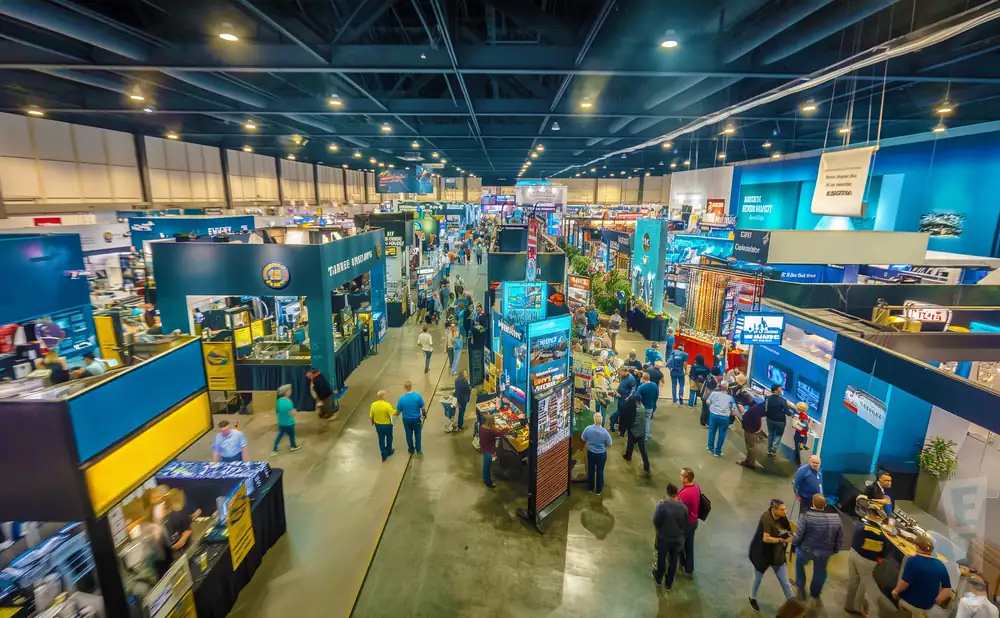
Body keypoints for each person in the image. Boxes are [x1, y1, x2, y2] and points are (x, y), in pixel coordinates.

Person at [792, 494, 843, 604]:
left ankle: (800, 588)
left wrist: (794, 544)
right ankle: (815, 593)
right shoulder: (836, 518)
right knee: (820, 573)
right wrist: (836, 550)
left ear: (813, 504)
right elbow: (839, 538)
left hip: (806, 550)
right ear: (825, 505)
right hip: (825, 553)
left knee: (799, 565)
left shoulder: (805, 516)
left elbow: (798, 535)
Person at [749, 498, 795, 612]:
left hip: (777, 554)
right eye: (782, 509)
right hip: (762, 554)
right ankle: (752, 598)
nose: (785, 512)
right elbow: (766, 538)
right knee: (757, 579)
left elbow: (789, 533)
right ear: (774, 509)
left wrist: (790, 538)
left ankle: (795, 607)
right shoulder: (766, 518)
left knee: (785, 583)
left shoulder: (783, 519)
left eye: (785, 509)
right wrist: (781, 540)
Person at [891, 534, 953, 615]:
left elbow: (905, 583)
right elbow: (948, 592)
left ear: (916, 546)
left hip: (910, 604)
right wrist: (934, 601)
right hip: (928, 608)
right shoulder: (940, 564)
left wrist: (895, 591)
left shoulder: (913, 560)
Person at [845, 503, 889, 617]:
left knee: (853, 581)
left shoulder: (860, 525)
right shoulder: (879, 534)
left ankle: (849, 605)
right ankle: (858, 607)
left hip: (853, 554)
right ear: (878, 517)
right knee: (863, 584)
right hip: (867, 560)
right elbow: (884, 550)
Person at [653, 483, 689, 590]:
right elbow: (685, 523)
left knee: (662, 558)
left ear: (667, 493)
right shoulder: (683, 507)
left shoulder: (662, 505)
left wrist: (659, 531)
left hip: (664, 538)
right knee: (674, 561)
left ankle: (659, 578)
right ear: (676, 493)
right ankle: (669, 583)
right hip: (677, 539)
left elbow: (656, 521)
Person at [581, 413, 612, 496]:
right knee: (600, 471)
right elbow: (609, 443)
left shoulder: (588, 429)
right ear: (601, 421)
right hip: (601, 454)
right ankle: (598, 490)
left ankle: (590, 488)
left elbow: (583, 438)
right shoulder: (604, 432)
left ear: (594, 420)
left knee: (591, 470)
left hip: (591, 453)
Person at [677, 468, 701, 574]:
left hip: (686, 524)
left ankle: (681, 562)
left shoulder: (685, 494)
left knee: (679, 543)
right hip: (693, 521)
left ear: (686, 479)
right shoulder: (696, 488)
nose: (680, 477)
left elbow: (679, 510)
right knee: (689, 545)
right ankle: (689, 567)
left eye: (681, 475)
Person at [705, 380, 736, 457]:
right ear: (727, 388)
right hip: (724, 418)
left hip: (714, 415)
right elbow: (734, 411)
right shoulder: (730, 398)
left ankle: (710, 448)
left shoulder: (714, 393)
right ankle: (718, 452)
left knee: (712, 431)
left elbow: (708, 402)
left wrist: (712, 406)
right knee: (722, 434)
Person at [397, 381, 427, 455]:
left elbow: (398, 411)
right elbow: (423, 407)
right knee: (418, 434)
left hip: (406, 420)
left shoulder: (401, 399)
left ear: (405, 388)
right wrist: (424, 414)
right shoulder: (418, 396)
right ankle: (418, 450)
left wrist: (393, 417)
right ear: (411, 387)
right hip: (416, 419)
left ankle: (411, 449)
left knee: (408, 435)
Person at [622, 395, 650, 473]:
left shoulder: (636, 409)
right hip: (641, 431)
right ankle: (646, 466)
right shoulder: (642, 407)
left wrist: (629, 426)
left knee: (630, 444)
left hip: (634, 430)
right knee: (643, 450)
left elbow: (633, 420)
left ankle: (628, 456)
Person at [764, 384, 793, 457]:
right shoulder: (782, 401)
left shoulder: (767, 398)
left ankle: (769, 449)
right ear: (775, 390)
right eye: (780, 389)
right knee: (778, 434)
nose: (781, 390)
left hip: (769, 419)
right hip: (780, 421)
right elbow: (787, 412)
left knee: (771, 433)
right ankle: (774, 448)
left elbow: (765, 408)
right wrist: (791, 414)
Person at [272, 384, 301, 455]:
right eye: (289, 390)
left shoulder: (278, 401)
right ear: (286, 392)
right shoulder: (289, 402)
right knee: (291, 435)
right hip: (289, 423)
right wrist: (294, 411)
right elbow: (291, 413)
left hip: (281, 423)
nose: (291, 391)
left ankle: (274, 449)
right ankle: (293, 446)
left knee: (280, 435)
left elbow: (278, 412)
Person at [739, 397, 767, 469]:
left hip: (750, 430)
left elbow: (757, 419)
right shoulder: (760, 409)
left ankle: (750, 463)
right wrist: (758, 429)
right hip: (750, 429)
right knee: (751, 446)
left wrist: (757, 429)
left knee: (751, 447)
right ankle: (749, 461)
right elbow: (758, 419)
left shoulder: (758, 408)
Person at [164, 489, 193, 556]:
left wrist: (184, 538)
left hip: (184, 547)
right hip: (179, 547)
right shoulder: (171, 517)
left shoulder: (181, 513)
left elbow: (187, 527)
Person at [477, 413, 503, 488]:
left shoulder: (482, 427)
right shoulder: (491, 431)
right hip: (489, 451)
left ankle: (487, 479)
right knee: (487, 466)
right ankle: (488, 482)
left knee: (486, 465)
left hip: (484, 448)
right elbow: (500, 434)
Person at [369, 390, 395, 461]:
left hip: (378, 426)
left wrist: (373, 422)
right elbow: (393, 414)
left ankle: (383, 454)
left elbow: (371, 416)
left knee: (381, 439)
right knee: (389, 438)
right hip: (387, 425)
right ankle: (389, 451)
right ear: (383, 396)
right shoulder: (387, 405)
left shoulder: (373, 405)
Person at [610, 366, 637, 431]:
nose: (620, 374)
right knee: (619, 412)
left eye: (621, 372)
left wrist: (628, 398)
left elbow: (633, 390)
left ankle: (613, 427)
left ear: (626, 371)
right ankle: (617, 426)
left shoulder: (631, 379)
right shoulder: (623, 376)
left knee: (618, 413)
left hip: (625, 399)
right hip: (620, 397)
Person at [636, 371, 659, 441]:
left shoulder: (641, 387)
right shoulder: (654, 385)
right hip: (650, 407)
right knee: (648, 421)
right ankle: (647, 434)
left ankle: (643, 436)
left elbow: (637, 397)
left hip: (642, 407)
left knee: (641, 422)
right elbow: (657, 395)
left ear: (643, 379)